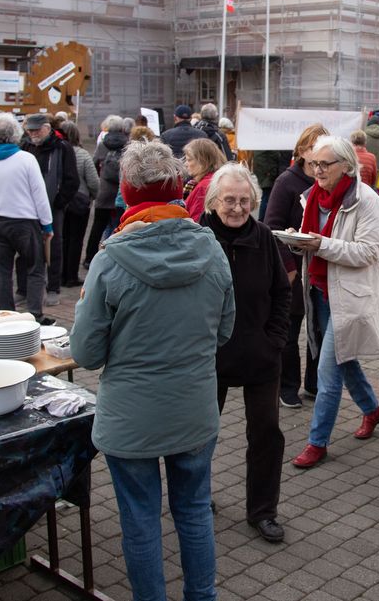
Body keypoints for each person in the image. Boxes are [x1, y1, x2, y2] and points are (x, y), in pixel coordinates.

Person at [72, 140, 234, 601]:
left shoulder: (109, 260)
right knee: (194, 511)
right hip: (193, 409)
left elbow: (85, 352)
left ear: (126, 192)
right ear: (177, 189)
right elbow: (224, 331)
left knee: (141, 521)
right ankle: (202, 596)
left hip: (131, 417)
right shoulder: (212, 250)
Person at [200, 164, 290, 543]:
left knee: (267, 433)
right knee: (200, 434)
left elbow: (283, 292)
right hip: (210, 358)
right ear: (213, 201)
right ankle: (196, 497)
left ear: (254, 202)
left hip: (260, 357)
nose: (237, 208)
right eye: (229, 200)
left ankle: (263, 511)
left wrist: (275, 339)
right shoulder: (199, 238)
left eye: (244, 200)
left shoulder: (265, 237)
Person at [290, 135, 379, 469]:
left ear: (346, 166)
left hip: (349, 295)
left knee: (326, 371)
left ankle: (317, 443)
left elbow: (369, 252)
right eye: (312, 163)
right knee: (344, 359)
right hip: (319, 289)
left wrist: (320, 245)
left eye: (324, 164)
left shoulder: (366, 200)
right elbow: (315, 243)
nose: (316, 170)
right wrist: (299, 242)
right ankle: (373, 410)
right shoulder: (312, 196)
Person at [0, 115, 55, 326]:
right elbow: (39, 195)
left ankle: (6, 315)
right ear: (16, 135)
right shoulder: (26, 159)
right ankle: (34, 315)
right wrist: (47, 224)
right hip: (25, 221)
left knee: (3, 270)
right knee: (35, 268)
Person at [264, 124, 328, 409]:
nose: (319, 158)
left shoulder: (329, 180)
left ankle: (314, 383)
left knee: (318, 330)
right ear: (302, 151)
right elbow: (272, 227)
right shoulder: (286, 182)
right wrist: (288, 267)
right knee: (289, 333)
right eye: (314, 148)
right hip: (292, 269)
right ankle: (287, 386)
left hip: (320, 269)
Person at [19, 113, 79, 308]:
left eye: (36, 130)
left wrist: (60, 203)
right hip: (28, 208)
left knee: (54, 247)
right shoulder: (26, 147)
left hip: (53, 207)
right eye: (30, 131)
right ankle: (23, 289)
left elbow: (72, 180)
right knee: (25, 248)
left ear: (47, 128)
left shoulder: (62, 148)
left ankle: (53, 288)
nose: (33, 134)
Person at [85, 117, 129, 267]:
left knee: (97, 226)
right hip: (120, 191)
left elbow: (94, 162)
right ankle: (115, 259)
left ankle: (89, 258)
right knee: (119, 227)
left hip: (103, 190)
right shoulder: (127, 144)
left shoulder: (103, 144)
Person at [60, 121, 98, 288]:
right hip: (79, 203)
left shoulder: (56, 153)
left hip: (60, 202)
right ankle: (71, 276)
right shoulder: (82, 155)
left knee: (62, 239)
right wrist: (92, 196)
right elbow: (94, 182)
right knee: (76, 240)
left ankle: (59, 274)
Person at [184, 138, 227, 221]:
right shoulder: (217, 179)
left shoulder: (203, 186)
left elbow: (196, 222)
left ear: (202, 161)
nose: (186, 164)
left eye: (189, 160)